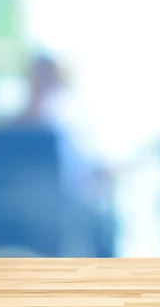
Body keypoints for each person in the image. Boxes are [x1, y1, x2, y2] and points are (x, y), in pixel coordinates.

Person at [12, 54, 115, 257]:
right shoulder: (26, 125)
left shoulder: (66, 118)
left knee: (102, 220)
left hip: (65, 202)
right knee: (96, 222)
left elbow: (83, 166)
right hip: (42, 208)